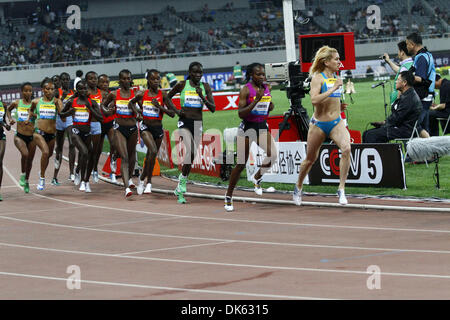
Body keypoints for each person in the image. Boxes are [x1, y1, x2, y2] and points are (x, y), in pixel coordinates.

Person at [293, 46, 351, 206]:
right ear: (326, 62)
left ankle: (341, 189)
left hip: (336, 122)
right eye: (336, 59)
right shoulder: (317, 78)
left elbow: (332, 99)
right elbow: (314, 100)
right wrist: (334, 88)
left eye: (339, 59)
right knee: (310, 159)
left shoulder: (336, 77)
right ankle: (298, 186)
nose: (339, 62)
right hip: (318, 124)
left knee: (346, 148)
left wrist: (339, 107)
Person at [224, 63, 277, 212]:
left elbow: (268, 106)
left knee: (273, 155)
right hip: (247, 128)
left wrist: (269, 104)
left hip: (261, 127)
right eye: (258, 74)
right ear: (251, 75)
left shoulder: (266, 88)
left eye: (263, 74)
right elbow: (241, 113)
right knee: (241, 164)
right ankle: (228, 196)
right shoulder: (246, 90)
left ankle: (257, 177)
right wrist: (256, 101)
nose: (262, 77)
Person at [168, 62, 215, 204]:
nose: (198, 75)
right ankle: (182, 184)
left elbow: (213, 108)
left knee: (192, 154)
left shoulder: (205, 87)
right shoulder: (182, 85)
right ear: (190, 72)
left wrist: (203, 97)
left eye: (200, 72)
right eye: (195, 72)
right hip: (184, 122)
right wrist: (176, 111)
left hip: (198, 123)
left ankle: (181, 183)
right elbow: (167, 97)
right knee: (191, 149)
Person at [128, 69, 177, 195]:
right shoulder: (141, 94)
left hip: (158, 129)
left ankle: (144, 180)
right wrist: (138, 113)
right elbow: (130, 103)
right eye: (153, 79)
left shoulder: (163, 95)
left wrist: (159, 107)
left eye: (158, 78)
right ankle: (146, 181)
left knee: (151, 156)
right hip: (145, 128)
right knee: (153, 151)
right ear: (148, 81)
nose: (156, 81)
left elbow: (172, 114)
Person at [61, 80, 104, 192]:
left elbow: (100, 118)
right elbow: (61, 114)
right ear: (77, 90)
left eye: (85, 88)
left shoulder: (92, 103)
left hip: (87, 133)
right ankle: (82, 180)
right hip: (75, 132)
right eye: (80, 88)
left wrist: (90, 109)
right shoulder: (72, 101)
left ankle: (84, 179)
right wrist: (69, 112)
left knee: (91, 155)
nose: (83, 91)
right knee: (84, 152)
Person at [101, 69, 138, 197]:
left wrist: (139, 111)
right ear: (120, 80)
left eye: (129, 78)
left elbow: (142, 107)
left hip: (133, 128)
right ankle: (126, 187)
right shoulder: (114, 94)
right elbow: (103, 105)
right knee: (125, 157)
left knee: (132, 155)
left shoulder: (136, 93)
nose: (126, 81)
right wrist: (108, 111)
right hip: (119, 128)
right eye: (124, 78)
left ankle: (129, 178)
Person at [362, 70, 422, 143]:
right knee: (366, 133)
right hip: (401, 127)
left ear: (404, 82)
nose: (395, 82)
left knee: (371, 135)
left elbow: (397, 118)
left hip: (404, 130)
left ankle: (383, 154)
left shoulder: (409, 98)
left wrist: (384, 124)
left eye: (398, 79)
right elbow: (397, 117)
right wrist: (384, 123)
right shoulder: (408, 94)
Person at [28, 78, 64, 190]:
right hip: (39, 132)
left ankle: (41, 171)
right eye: (47, 89)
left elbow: (62, 117)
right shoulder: (36, 101)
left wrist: (59, 106)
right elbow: (31, 110)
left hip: (52, 134)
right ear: (43, 89)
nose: (50, 91)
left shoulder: (57, 101)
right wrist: (33, 118)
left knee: (48, 156)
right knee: (45, 152)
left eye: (52, 89)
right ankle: (42, 179)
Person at [6, 82, 36, 194]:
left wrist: (33, 115)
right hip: (20, 136)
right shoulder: (17, 103)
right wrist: (10, 119)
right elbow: (8, 110)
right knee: (25, 154)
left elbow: (40, 116)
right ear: (22, 92)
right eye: (26, 90)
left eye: (30, 91)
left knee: (30, 161)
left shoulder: (34, 104)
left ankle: (27, 181)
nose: (28, 93)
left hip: (32, 136)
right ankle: (23, 175)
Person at [406, 32, 436, 138]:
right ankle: (429, 153)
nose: (406, 47)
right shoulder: (426, 55)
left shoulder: (421, 57)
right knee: (424, 126)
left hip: (423, 97)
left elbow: (420, 78)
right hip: (427, 96)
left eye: (407, 44)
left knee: (413, 125)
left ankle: (428, 151)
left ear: (412, 44)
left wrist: (405, 79)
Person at [52, 72, 76, 185]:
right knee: (59, 147)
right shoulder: (57, 92)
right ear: (60, 81)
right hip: (59, 120)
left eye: (67, 79)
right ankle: (55, 176)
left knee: (72, 143)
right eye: (64, 79)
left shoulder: (73, 92)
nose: (66, 81)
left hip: (70, 119)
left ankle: (72, 173)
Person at [97, 74, 118, 182]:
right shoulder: (95, 94)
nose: (105, 84)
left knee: (114, 144)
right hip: (99, 124)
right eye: (102, 82)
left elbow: (114, 107)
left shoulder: (111, 94)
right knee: (98, 149)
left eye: (107, 82)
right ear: (98, 83)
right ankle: (95, 170)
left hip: (110, 122)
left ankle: (113, 170)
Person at [382, 40, 414, 105]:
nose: (398, 53)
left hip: (400, 102)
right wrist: (388, 61)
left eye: (398, 51)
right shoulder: (409, 64)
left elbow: (402, 86)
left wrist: (397, 103)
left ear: (402, 52)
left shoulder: (405, 67)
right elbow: (399, 70)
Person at [85, 71, 103, 184]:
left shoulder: (101, 93)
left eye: (95, 78)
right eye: (91, 79)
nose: (93, 80)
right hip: (85, 124)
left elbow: (103, 106)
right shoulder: (84, 92)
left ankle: (95, 170)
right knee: (86, 151)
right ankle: (79, 171)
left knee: (95, 151)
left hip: (97, 123)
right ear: (86, 80)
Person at [0, 97, 11, 201]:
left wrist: (7, 125)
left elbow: (3, 120)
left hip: (0, 135)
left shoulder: (2, 105)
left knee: (0, 161)